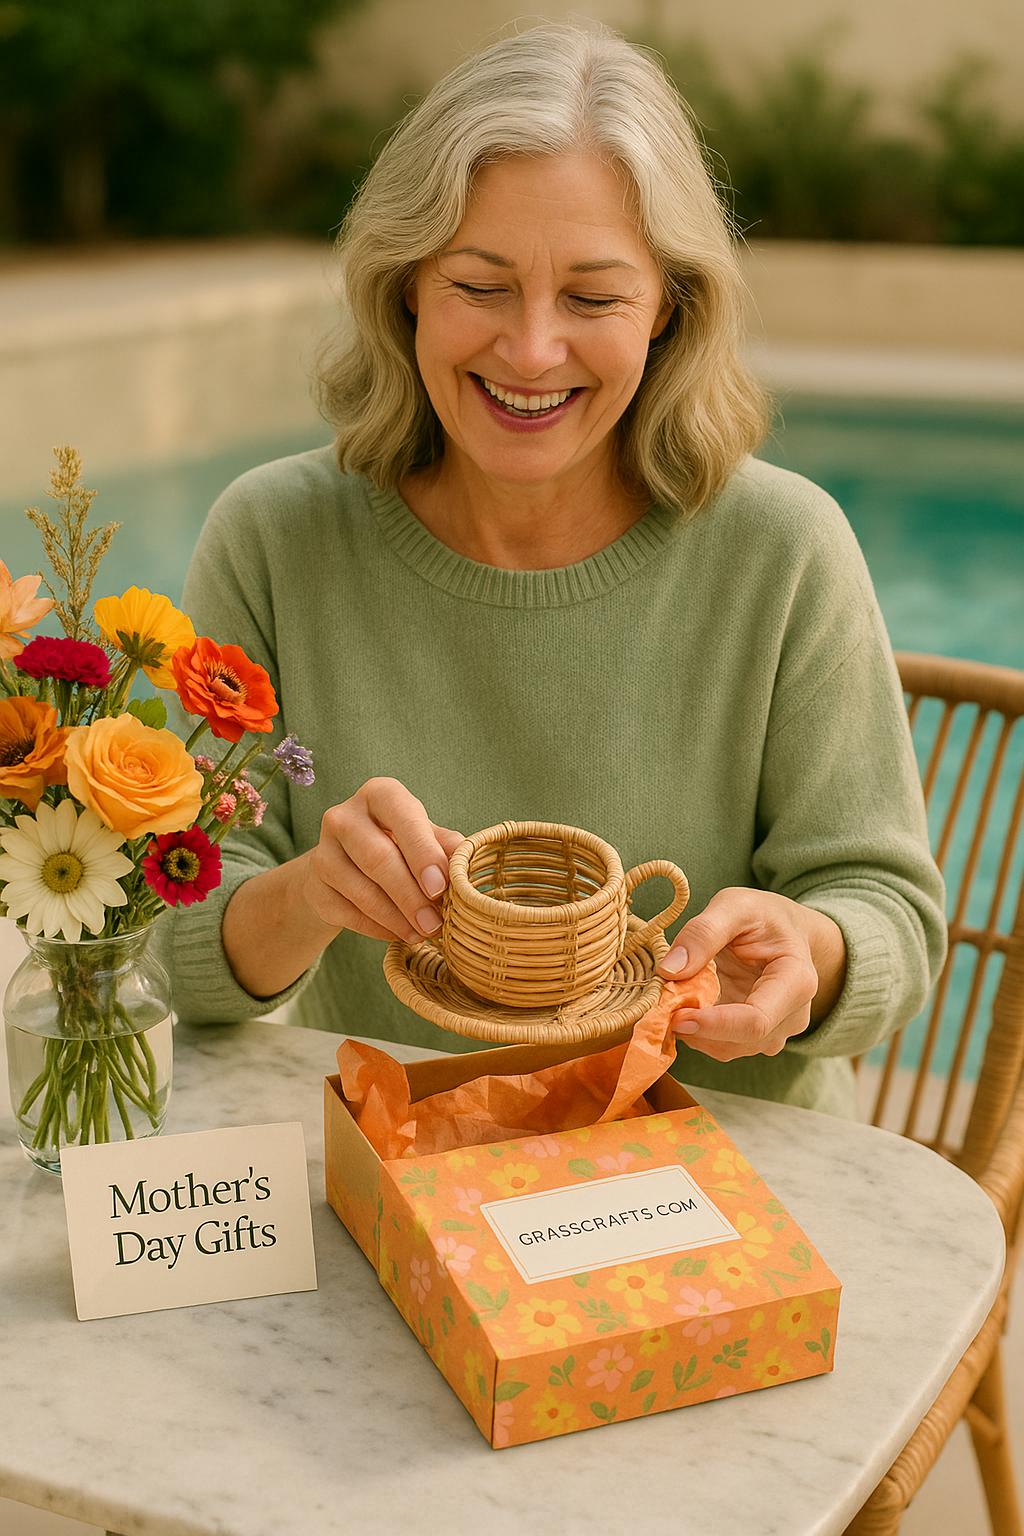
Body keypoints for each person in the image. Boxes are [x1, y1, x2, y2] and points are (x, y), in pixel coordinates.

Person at [160, 22, 946, 1118]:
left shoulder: (784, 549)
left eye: (592, 298)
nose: (531, 352)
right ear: (406, 290)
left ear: (667, 307)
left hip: (731, 1186)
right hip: (402, 1175)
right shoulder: (274, 538)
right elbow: (172, 938)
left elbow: (890, 915)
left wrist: (811, 952)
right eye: (481, 285)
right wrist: (309, 894)